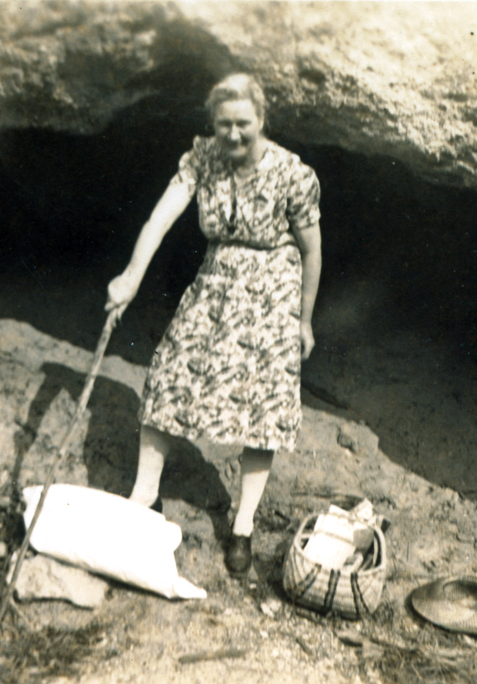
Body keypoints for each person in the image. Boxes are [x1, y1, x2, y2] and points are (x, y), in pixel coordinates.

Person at [105, 73, 322, 576]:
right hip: (216, 280)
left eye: (243, 123)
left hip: (273, 290)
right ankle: (144, 496)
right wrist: (131, 278)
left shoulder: (293, 173)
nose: (233, 134)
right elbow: (159, 219)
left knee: (263, 406)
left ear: (262, 119)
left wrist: (304, 321)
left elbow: (312, 251)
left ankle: (242, 525)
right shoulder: (201, 159)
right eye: (223, 123)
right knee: (168, 376)